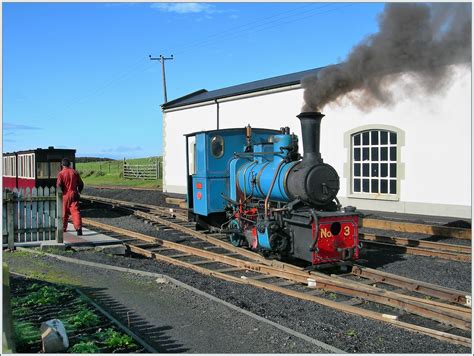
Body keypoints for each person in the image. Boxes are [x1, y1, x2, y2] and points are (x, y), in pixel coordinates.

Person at [56, 158, 84, 235]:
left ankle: (63, 228)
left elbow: (58, 185)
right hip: (74, 193)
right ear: (70, 164)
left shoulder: (61, 174)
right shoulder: (75, 172)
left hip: (65, 195)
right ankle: (78, 228)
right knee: (75, 211)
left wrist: (60, 193)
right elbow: (81, 184)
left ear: (62, 165)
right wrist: (79, 191)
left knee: (64, 212)